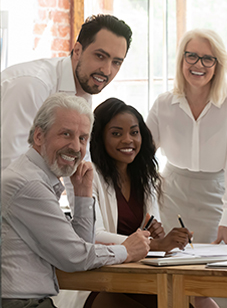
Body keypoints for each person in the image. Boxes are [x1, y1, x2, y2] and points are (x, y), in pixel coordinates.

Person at [1, 93, 150, 308]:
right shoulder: (29, 184)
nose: (75, 147)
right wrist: (126, 250)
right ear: (39, 136)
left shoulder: (35, 176)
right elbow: (74, 257)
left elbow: (81, 246)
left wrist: (82, 194)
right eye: (66, 134)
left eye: (82, 138)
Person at [53, 97, 192, 308]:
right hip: (100, 281)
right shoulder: (86, 174)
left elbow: (152, 229)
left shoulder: (145, 177)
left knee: (186, 303)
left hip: (140, 278)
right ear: (99, 137)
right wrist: (155, 244)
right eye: (116, 134)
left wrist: (162, 236)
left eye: (134, 132)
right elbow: (93, 235)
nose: (128, 140)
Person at [146, 29, 227, 244]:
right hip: (170, 196)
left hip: (215, 199)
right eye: (191, 56)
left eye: (208, 59)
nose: (198, 65)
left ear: (217, 64)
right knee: (169, 267)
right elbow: (141, 159)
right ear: (181, 59)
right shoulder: (163, 104)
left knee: (208, 269)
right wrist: (148, 207)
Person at [1, 14, 132, 171]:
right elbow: (10, 167)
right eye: (100, 56)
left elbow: (79, 162)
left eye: (116, 62)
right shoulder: (34, 85)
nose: (107, 70)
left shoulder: (83, 91)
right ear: (77, 51)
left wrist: (84, 194)